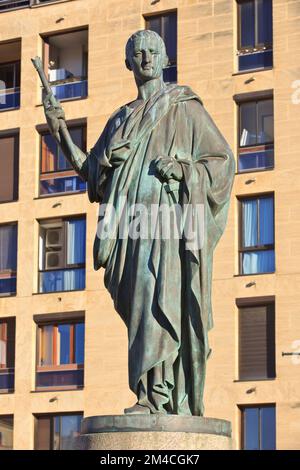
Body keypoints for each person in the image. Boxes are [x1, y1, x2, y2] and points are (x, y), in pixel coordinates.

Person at [43, 29, 235, 416]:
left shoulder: (185, 107)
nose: (146, 58)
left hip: (168, 227)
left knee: (161, 302)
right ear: (128, 63)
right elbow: (91, 171)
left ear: (164, 60)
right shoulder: (119, 120)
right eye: (138, 53)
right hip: (131, 231)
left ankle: (158, 398)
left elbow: (222, 162)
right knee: (142, 309)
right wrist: (58, 130)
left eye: (153, 52)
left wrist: (183, 170)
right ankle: (150, 393)